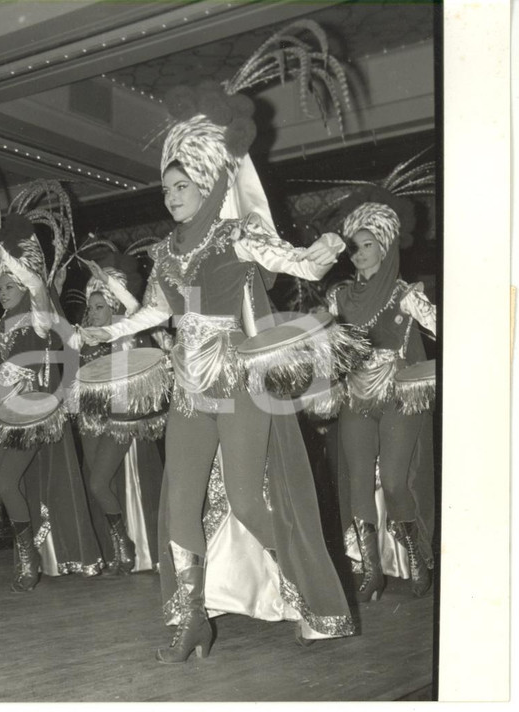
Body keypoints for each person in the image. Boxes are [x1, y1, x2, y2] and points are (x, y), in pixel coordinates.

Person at [81, 23, 357, 662]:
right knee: (177, 507)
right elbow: (152, 313)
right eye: (167, 189)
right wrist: (103, 328)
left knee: (246, 499)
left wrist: (322, 253)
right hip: (187, 387)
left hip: (234, 381)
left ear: (208, 182)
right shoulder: (167, 252)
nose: (171, 198)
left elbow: (297, 264)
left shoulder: (235, 239)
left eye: (182, 187)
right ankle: (191, 619)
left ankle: (309, 601)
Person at [0, 205, 103, 593]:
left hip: (34, 411)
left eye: (8, 284)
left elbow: (36, 284)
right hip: (1, 413)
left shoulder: (38, 316)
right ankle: (28, 551)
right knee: (11, 484)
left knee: (6, 484)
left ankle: (26, 556)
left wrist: (2, 253)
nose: (2, 290)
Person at [325, 198, 437, 600]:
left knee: (392, 480)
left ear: (386, 247)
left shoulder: (406, 294)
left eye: (368, 244)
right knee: (357, 481)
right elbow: (327, 346)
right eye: (354, 245)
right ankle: (371, 571)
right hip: (356, 395)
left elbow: (446, 326)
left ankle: (416, 558)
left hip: (397, 394)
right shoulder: (338, 298)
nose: (358, 252)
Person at [70, 256, 163, 574]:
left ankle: (126, 545)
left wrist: (108, 282)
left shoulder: (124, 335)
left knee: (98, 485)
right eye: (90, 307)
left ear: (112, 308)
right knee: (99, 487)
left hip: (119, 421)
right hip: (90, 421)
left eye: (99, 307)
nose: (92, 312)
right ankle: (116, 547)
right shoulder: (82, 337)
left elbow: (136, 308)